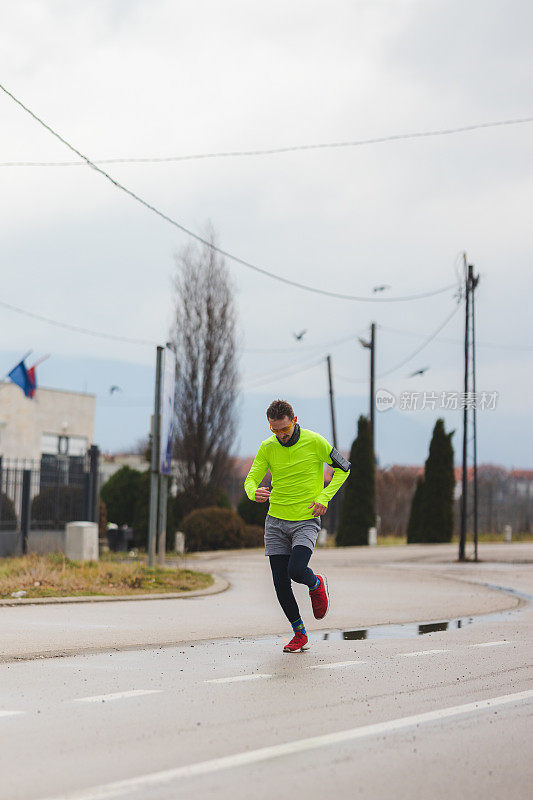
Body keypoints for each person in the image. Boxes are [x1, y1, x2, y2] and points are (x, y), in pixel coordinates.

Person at [244, 399, 350, 653]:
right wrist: (252, 492)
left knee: (296, 569)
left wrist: (324, 497)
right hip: (276, 522)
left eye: (284, 430)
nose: (280, 435)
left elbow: (343, 468)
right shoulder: (267, 447)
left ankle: (315, 583)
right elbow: (251, 478)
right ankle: (299, 633)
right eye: (274, 430)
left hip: (305, 519)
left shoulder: (315, 442)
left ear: (294, 421)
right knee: (280, 583)